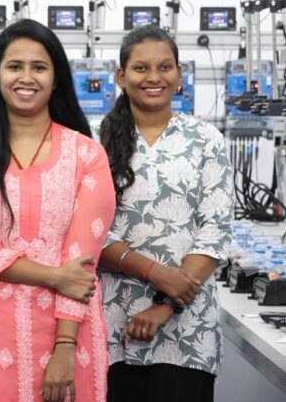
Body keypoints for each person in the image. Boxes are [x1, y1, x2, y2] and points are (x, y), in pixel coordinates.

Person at [0, 19, 116, 402]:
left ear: (56, 77)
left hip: (67, 331)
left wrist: (65, 345)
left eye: (39, 67)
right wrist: (53, 276)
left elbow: (80, 262)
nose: (26, 77)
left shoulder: (86, 155)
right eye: (15, 66)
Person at [98, 24, 233, 402]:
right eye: (141, 68)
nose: (154, 77)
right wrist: (155, 273)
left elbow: (215, 228)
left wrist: (167, 305)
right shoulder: (94, 141)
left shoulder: (206, 140)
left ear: (179, 75)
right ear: (121, 76)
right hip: (112, 323)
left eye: (165, 67)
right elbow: (90, 232)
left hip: (188, 328)